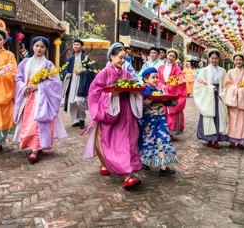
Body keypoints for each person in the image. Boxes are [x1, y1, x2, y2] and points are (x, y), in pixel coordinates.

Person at [83, 42, 144, 191]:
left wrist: (135, 92)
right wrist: (111, 94)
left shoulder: (126, 74)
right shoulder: (104, 72)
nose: (123, 61)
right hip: (110, 112)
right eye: (120, 58)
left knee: (127, 142)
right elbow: (94, 92)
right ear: (111, 56)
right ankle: (109, 165)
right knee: (109, 142)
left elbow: (133, 87)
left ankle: (128, 174)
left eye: (124, 58)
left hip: (126, 113)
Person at [13, 37, 68, 163]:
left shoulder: (49, 65)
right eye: (37, 45)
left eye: (42, 47)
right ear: (32, 46)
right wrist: (24, 87)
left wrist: (39, 86)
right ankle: (32, 145)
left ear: (46, 50)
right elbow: (18, 78)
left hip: (41, 98)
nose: (39, 48)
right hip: (28, 97)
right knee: (29, 122)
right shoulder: (24, 62)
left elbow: (55, 83)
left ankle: (36, 149)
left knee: (38, 123)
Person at [138, 67, 178, 176]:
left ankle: (163, 167)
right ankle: (144, 161)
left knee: (162, 140)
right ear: (145, 79)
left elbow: (167, 102)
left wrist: (173, 101)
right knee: (147, 141)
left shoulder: (159, 91)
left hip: (161, 122)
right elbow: (138, 106)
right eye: (153, 77)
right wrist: (146, 103)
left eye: (157, 77)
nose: (156, 79)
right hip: (148, 123)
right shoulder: (142, 91)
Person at [193, 49, 229, 149]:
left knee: (219, 117)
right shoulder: (204, 71)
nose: (214, 60)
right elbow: (198, 84)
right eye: (212, 58)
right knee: (208, 116)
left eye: (216, 58)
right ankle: (209, 139)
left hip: (218, 96)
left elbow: (226, 84)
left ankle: (216, 140)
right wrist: (209, 88)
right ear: (209, 58)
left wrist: (223, 93)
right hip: (208, 97)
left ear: (219, 59)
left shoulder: (222, 71)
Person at [63, 39, 94, 128]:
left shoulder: (86, 58)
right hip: (72, 81)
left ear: (81, 46)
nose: (75, 46)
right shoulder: (70, 58)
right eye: (74, 45)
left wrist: (82, 73)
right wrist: (66, 73)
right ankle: (75, 120)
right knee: (72, 101)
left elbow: (91, 70)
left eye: (77, 44)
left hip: (82, 82)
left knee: (79, 101)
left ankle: (82, 119)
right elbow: (64, 68)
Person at [157, 48, 187, 138]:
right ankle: (162, 131)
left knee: (171, 113)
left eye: (173, 57)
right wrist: (162, 86)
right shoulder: (160, 68)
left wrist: (171, 87)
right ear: (167, 55)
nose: (171, 58)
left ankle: (171, 133)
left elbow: (180, 80)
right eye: (170, 55)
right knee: (162, 112)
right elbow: (157, 79)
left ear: (175, 59)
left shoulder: (177, 68)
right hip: (162, 91)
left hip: (172, 92)